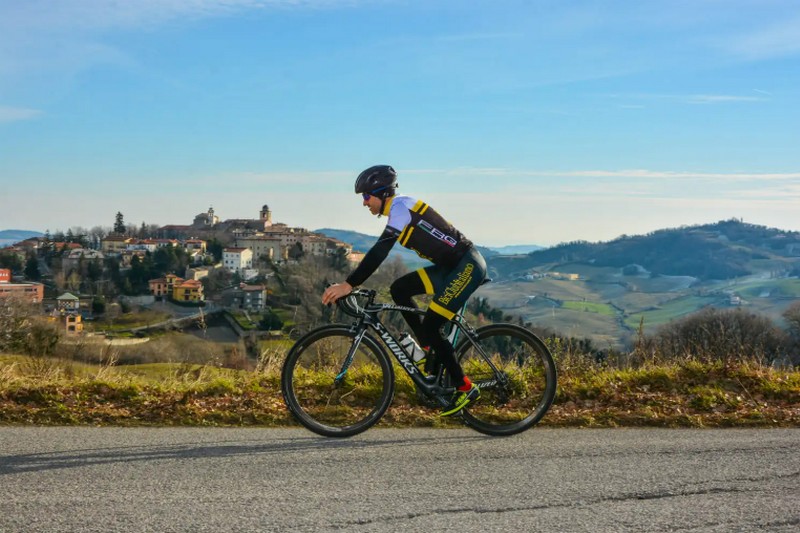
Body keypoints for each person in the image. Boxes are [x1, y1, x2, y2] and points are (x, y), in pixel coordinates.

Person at [322, 165, 487, 416]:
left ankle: (465, 387)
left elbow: (380, 250)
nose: (364, 203)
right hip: (449, 267)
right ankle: (428, 351)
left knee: (432, 324)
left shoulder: (400, 208)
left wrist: (349, 284)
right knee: (399, 289)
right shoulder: (397, 210)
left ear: (381, 192)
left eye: (366, 196)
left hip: (467, 266)